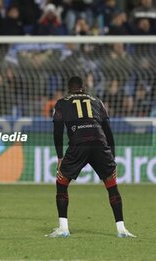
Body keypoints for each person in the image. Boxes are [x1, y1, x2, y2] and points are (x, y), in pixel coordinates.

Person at [47, 76, 135, 238]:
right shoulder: (97, 101)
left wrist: (60, 156)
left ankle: (63, 228)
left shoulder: (61, 102)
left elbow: (57, 131)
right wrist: (112, 156)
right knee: (111, 185)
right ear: (83, 87)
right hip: (99, 142)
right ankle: (121, 229)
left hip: (79, 143)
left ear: (69, 88)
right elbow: (107, 129)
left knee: (62, 183)